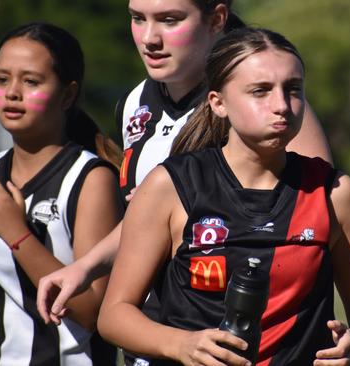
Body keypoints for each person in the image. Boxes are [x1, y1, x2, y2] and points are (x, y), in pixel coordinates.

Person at [97, 27, 350, 366]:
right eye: (260, 91)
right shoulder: (171, 185)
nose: (281, 105)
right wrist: (181, 345)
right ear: (218, 103)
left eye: (293, 90)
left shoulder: (333, 192)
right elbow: (114, 316)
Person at [37, 0, 332, 327]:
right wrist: (85, 267)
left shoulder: (266, 108)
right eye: (138, 18)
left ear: (217, 18)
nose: (149, 37)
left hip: (236, 335)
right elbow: (145, 224)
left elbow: (313, 219)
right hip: (153, 330)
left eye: (169, 20)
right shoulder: (135, 102)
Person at [0, 22, 124, 365]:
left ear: (68, 95)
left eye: (31, 81)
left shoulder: (91, 178)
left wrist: (16, 233)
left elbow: (93, 313)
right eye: (2, 79)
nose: (12, 92)